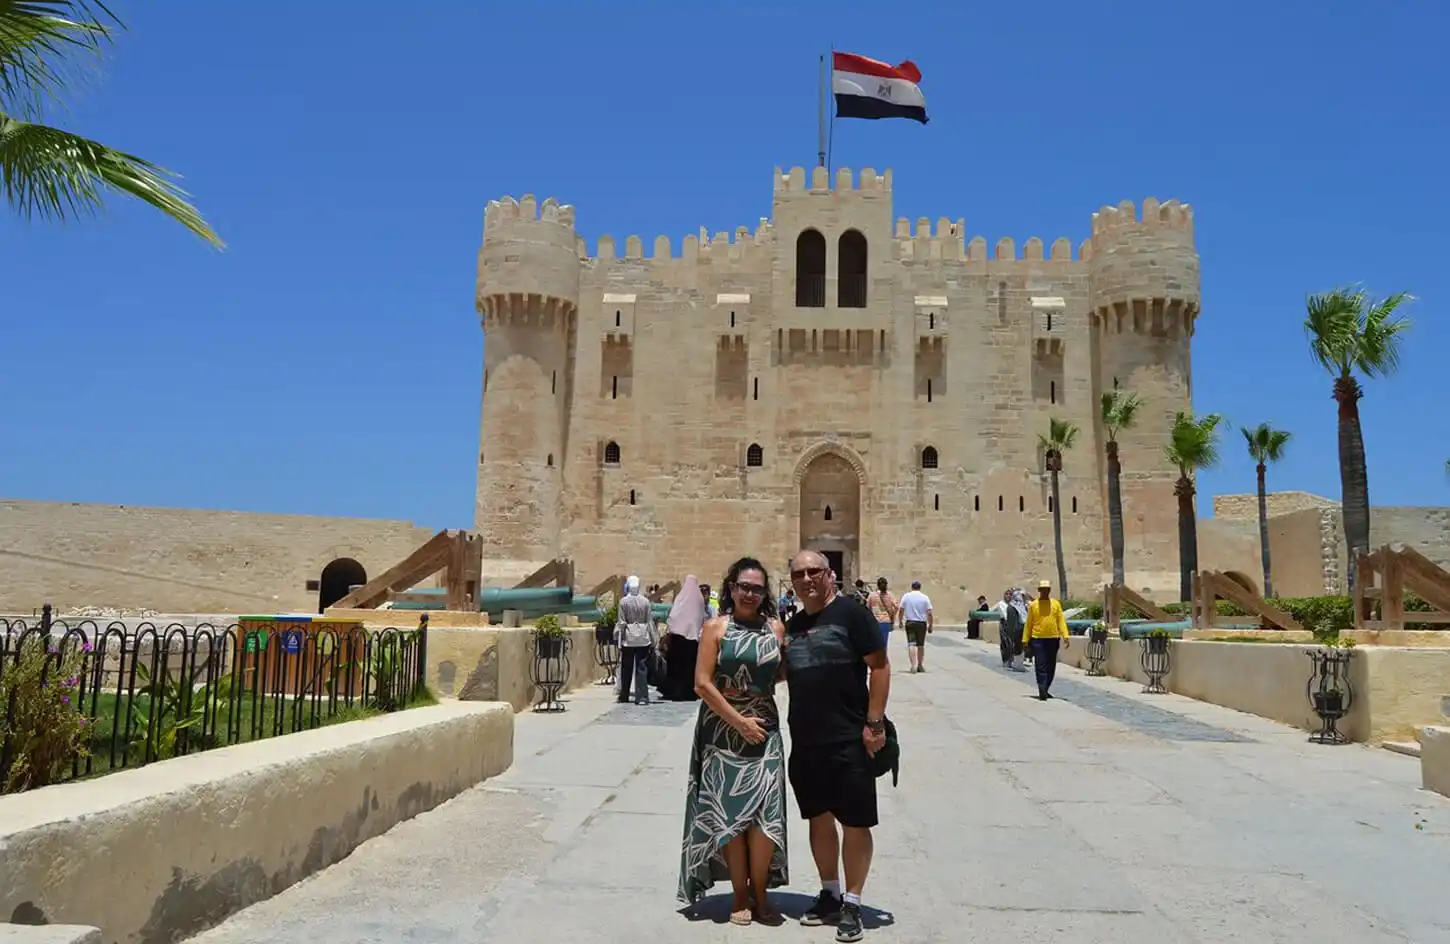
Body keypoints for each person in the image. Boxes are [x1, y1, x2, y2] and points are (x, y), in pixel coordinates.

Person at [783, 549, 890, 943]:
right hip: (806, 739)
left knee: (855, 821)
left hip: (849, 735)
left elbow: (880, 666)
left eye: (814, 571)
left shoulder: (852, 614)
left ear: (830, 574)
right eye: (799, 574)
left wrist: (874, 722)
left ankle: (853, 902)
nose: (807, 579)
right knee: (819, 818)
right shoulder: (793, 625)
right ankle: (830, 893)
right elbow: (781, 670)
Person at [677, 557, 789, 926]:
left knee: (766, 816)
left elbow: (780, 672)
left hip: (765, 731)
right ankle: (740, 894)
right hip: (722, 731)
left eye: (757, 588)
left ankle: (761, 891)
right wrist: (740, 722)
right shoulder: (715, 628)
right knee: (729, 817)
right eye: (744, 587)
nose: (750, 594)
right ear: (731, 588)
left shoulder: (776, 628)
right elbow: (702, 683)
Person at [1022, 579, 1070, 700]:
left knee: (1050, 665)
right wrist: (1025, 639)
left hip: (1053, 638)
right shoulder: (1034, 605)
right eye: (1042, 590)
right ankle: (1042, 689)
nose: (1045, 592)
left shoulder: (1055, 604)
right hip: (1037, 639)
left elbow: (1061, 621)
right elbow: (1029, 623)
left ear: (1049, 590)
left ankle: (1046, 687)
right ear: (1039, 591)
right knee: (1040, 664)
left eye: (1047, 590)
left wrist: (1065, 636)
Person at [615, 575, 658, 705]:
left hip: (628, 637)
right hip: (643, 637)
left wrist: (618, 637)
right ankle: (642, 696)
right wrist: (653, 638)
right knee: (641, 667)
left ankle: (624, 695)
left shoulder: (623, 602)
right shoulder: (645, 602)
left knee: (626, 667)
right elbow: (649, 621)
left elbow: (622, 622)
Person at [662, 575, 706, 701]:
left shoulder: (681, 598)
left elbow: (674, 615)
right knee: (690, 667)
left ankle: (676, 691)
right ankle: (690, 692)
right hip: (693, 639)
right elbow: (700, 618)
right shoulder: (699, 599)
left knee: (677, 666)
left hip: (678, 638)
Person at [897, 580, 933, 674]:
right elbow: (929, 613)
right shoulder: (925, 597)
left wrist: (900, 620)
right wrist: (930, 625)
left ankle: (913, 665)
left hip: (910, 622)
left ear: (912, 587)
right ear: (920, 587)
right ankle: (920, 665)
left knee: (911, 644)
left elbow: (901, 609)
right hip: (921, 623)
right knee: (920, 645)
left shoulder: (906, 596)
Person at [865, 577, 898, 650]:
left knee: (875, 643)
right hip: (886, 620)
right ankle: (883, 656)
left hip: (875, 621)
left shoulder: (872, 595)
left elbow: (867, 608)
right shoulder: (890, 595)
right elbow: (896, 607)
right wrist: (892, 617)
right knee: (884, 643)